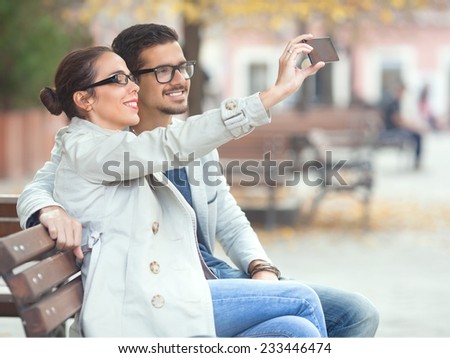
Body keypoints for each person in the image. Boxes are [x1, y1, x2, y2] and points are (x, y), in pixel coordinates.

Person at [17, 23, 379, 337]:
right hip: (161, 295)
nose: (180, 80)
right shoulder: (96, 147)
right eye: (162, 72)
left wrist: (260, 267)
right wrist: (47, 208)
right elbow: (42, 185)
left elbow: (226, 212)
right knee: (303, 308)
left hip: (209, 277)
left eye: (183, 68)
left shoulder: (195, 142)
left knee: (338, 318)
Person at [379, 82, 424, 170]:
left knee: (417, 135)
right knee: (417, 136)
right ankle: (417, 162)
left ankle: (417, 161)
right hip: (392, 132)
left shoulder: (396, 103)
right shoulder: (393, 103)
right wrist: (413, 127)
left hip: (395, 130)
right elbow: (398, 121)